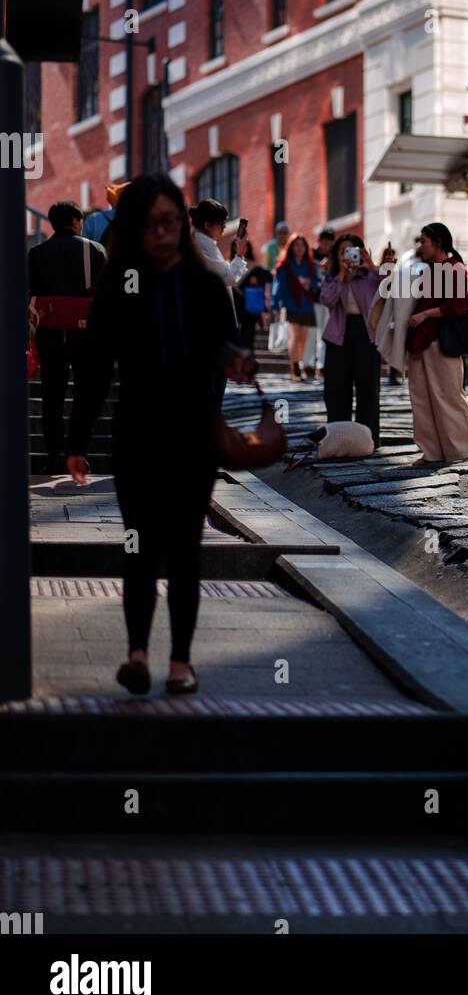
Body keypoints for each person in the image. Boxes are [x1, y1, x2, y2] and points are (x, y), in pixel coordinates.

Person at [66, 175, 254, 697]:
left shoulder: (203, 284)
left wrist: (236, 359)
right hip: (137, 432)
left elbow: (222, 345)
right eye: (152, 223)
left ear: (182, 223)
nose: (164, 232)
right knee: (139, 548)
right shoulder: (121, 282)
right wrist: (78, 439)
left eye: (172, 221)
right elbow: (97, 364)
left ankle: (180, 661)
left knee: (186, 550)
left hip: (193, 434)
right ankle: (137, 654)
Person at [27, 201, 107, 474]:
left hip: (51, 336)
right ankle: (78, 453)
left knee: (52, 398)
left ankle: (53, 456)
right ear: (76, 221)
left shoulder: (37, 253)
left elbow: (31, 294)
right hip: (87, 336)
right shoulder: (95, 250)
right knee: (86, 395)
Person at [406, 223, 468, 464]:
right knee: (421, 397)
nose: (421, 246)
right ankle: (431, 451)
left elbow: (460, 305)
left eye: (425, 241)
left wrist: (426, 315)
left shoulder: (454, 269)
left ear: (438, 242)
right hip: (421, 341)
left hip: (441, 340)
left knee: (448, 395)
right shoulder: (429, 270)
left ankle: (464, 450)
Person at [319, 234, 383, 447]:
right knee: (336, 389)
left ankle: (368, 439)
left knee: (368, 389)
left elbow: (391, 288)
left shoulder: (371, 276)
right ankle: (338, 439)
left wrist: (372, 266)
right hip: (338, 335)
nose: (347, 257)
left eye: (352, 251)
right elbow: (327, 300)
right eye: (342, 253)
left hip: (366, 334)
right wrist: (341, 276)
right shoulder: (332, 277)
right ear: (336, 257)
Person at [189, 199, 247, 327]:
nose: (224, 227)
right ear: (207, 225)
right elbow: (228, 278)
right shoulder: (203, 244)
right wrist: (240, 254)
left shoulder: (203, 241)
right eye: (221, 223)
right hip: (210, 318)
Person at [271, 232, 319, 380]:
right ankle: (295, 368)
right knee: (294, 335)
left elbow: (316, 282)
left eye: (302, 245)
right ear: (291, 247)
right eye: (296, 245)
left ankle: (300, 364)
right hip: (291, 303)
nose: (299, 248)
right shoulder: (284, 264)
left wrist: (308, 283)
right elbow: (278, 285)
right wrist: (275, 304)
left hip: (306, 304)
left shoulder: (310, 265)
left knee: (303, 337)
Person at [305, 226, 337, 379]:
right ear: (319, 241)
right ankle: (308, 364)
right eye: (324, 243)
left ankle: (322, 365)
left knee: (325, 333)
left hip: (327, 300)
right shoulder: (309, 255)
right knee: (311, 332)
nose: (327, 247)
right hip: (311, 298)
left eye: (330, 244)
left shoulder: (334, 258)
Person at [233, 241, 272, 351]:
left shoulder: (255, 267)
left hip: (251, 303)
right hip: (236, 302)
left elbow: (267, 279)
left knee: (249, 330)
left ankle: (248, 355)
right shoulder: (230, 264)